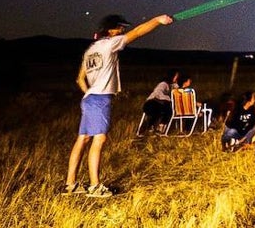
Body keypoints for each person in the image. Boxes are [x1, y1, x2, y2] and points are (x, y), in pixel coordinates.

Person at [63, 12, 173, 197]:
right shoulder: (110, 43)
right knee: (99, 139)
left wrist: (89, 92)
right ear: (111, 30)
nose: (123, 31)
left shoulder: (91, 49)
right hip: (99, 99)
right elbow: (137, 32)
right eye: (120, 28)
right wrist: (157, 20)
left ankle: (70, 184)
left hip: (89, 98)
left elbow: (79, 78)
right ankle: (95, 186)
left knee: (83, 139)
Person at [139, 69, 180, 135]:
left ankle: (157, 128)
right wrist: (168, 99)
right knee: (167, 108)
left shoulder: (170, 85)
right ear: (171, 76)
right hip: (151, 103)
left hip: (158, 105)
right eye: (176, 76)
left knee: (168, 108)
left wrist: (175, 84)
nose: (177, 78)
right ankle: (155, 128)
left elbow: (177, 89)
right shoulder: (163, 84)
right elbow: (158, 93)